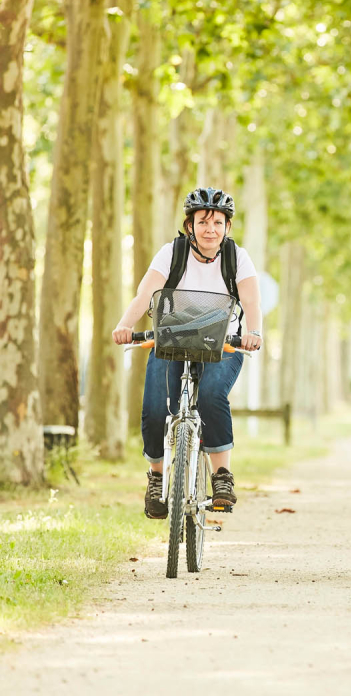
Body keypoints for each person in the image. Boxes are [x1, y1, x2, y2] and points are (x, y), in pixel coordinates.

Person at [112, 187, 263, 519]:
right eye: (203, 222)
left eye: (218, 223)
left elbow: (251, 302)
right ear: (189, 225)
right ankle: (155, 477)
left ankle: (221, 476)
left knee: (210, 394)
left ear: (227, 227)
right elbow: (144, 295)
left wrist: (253, 333)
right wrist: (125, 325)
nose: (211, 229)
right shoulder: (172, 253)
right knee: (154, 409)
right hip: (173, 340)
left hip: (222, 342)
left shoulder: (237, 258)